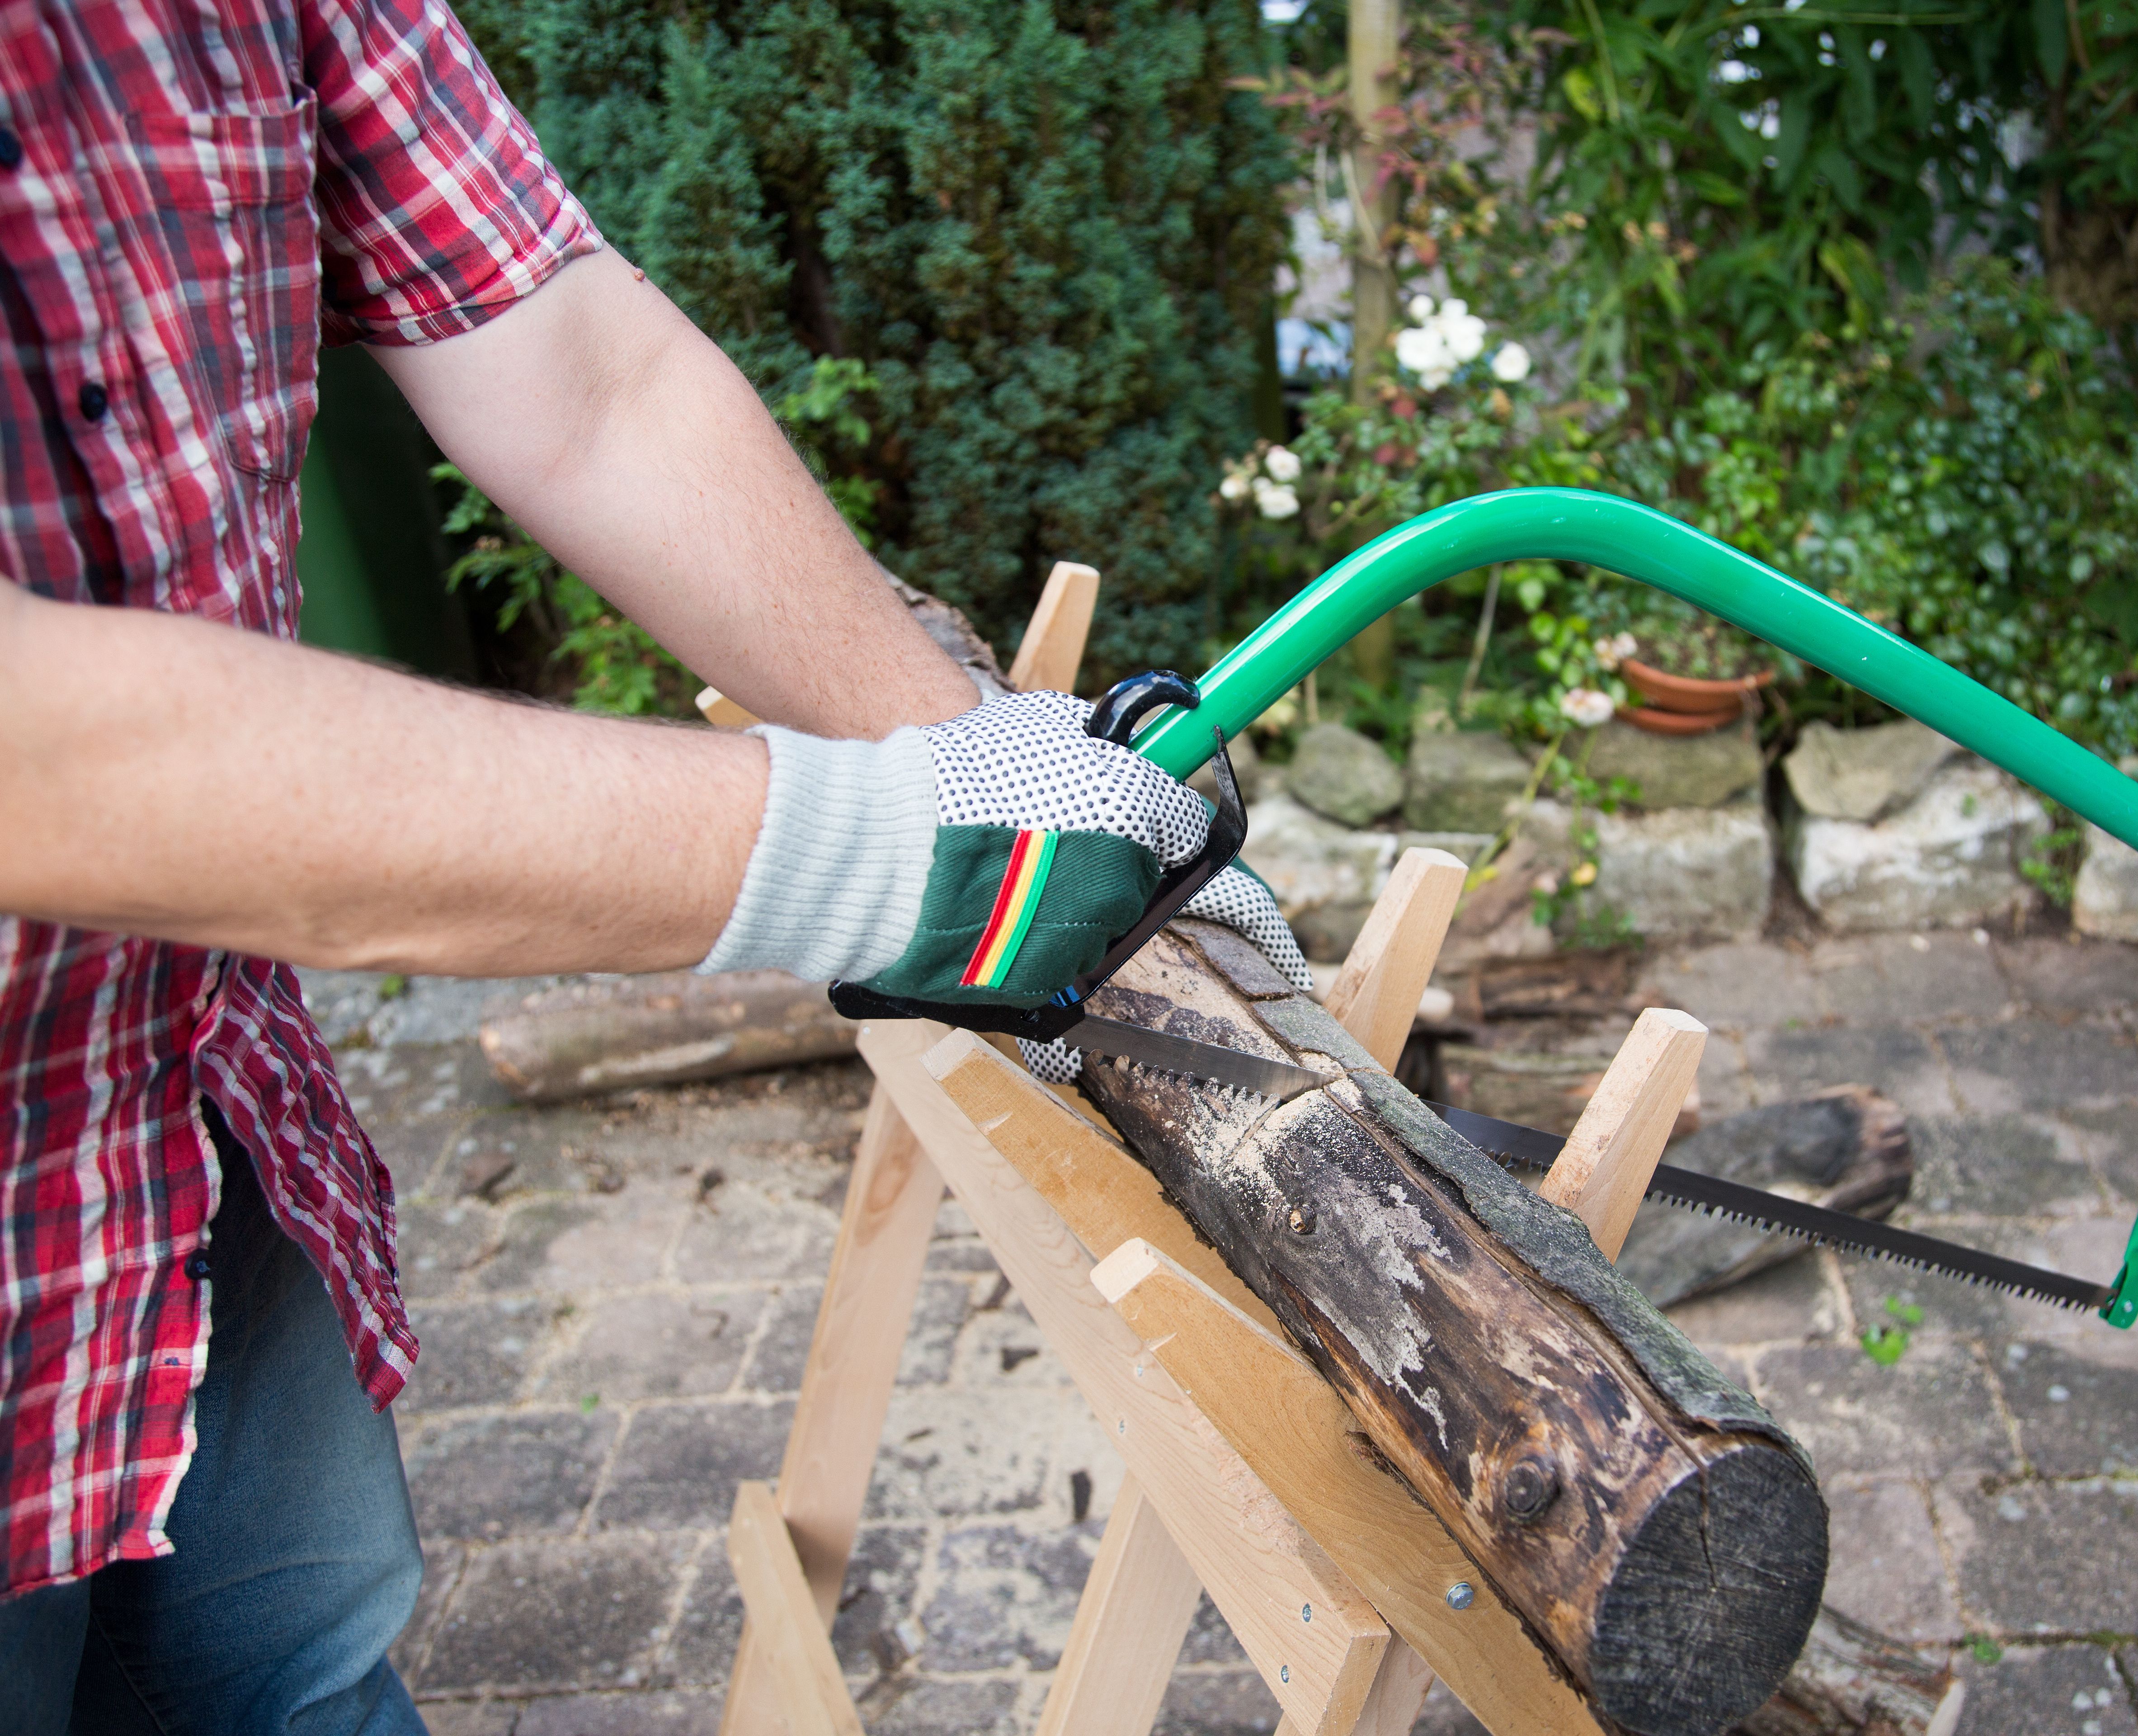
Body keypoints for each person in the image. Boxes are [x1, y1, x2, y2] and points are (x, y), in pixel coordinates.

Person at [0, 5, 1301, 1729]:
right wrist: (913, 866)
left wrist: (1003, 786)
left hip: (178, 1119)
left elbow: (586, 385)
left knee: (298, 1681)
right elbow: (51, 757)